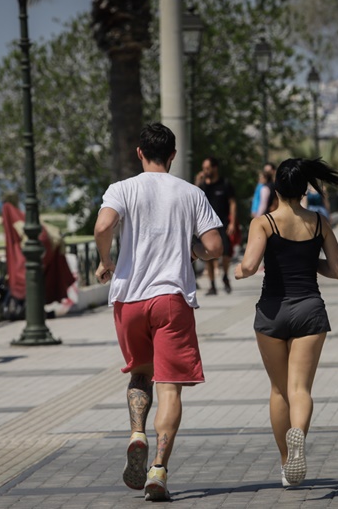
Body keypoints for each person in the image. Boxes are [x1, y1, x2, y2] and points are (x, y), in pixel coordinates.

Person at [94, 123, 223, 501]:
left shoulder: (122, 189)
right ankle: (159, 471)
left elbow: (103, 225)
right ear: (173, 155)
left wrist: (107, 260)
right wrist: (194, 252)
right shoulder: (191, 192)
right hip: (171, 299)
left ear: (139, 153)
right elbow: (215, 245)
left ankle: (137, 434)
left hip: (128, 300)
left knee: (140, 373)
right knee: (170, 388)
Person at [234, 157, 338, 487]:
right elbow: (337, 270)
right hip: (309, 308)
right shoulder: (319, 222)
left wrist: (239, 271)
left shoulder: (264, 222)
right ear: (303, 188)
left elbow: (251, 265)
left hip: (272, 311)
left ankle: (286, 462)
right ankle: (299, 436)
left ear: (276, 188)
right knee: (301, 389)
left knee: (279, 390)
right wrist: (309, 262)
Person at [196, 156, 237, 295]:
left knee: (225, 254)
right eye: (204, 168)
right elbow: (194, 197)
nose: (205, 171)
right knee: (208, 255)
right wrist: (198, 182)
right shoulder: (203, 185)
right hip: (206, 225)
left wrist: (232, 222)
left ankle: (225, 276)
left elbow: (232, 203)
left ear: (215, 168)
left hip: (223, 224)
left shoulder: (225, 183)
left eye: (207, 168)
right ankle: (212, 285)